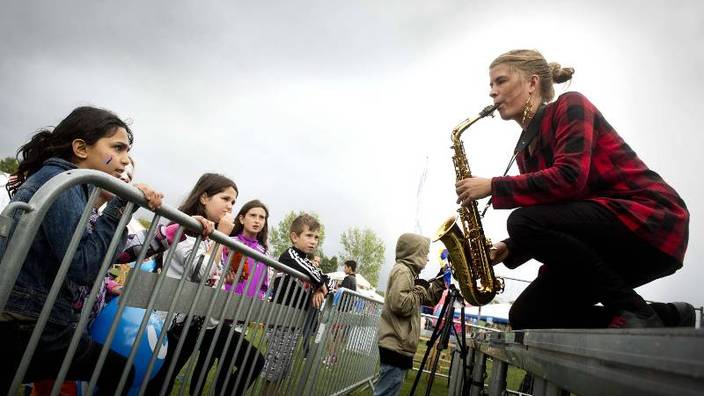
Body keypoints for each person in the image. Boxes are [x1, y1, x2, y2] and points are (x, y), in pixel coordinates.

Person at [455, 49, 690, 329]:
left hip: (651, 221)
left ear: (532, 83)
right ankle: (668, 318)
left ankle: (634, 312)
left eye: (500, 81)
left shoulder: (570, 105)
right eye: (491, 85)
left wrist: (493, 186)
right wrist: (507, 248)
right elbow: (555, 214)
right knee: (528, 315)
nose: (492, 92)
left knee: (521, 220)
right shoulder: (525, 151)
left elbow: (569, 178)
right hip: (603, 240)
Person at [0, 106, 163, 394]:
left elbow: (95, 258)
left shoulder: (74, 186)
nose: (125, 160)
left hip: (38, 320)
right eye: (118, 148)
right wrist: (121, 206)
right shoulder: (62, 183)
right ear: (80, 148)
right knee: (118, 372)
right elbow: (84, 266)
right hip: (26, 323)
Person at [262, 213, 332, 394]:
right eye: (309, 236)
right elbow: (317, 275)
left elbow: (325, 279)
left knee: (283, 370)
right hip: (280, 321)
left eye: (316, 237)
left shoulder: (306, 261)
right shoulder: (290, 255)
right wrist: (320, 283)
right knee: (273, 370)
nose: (314, 241)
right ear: (294, 237)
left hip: (293, 324)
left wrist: (319, 287)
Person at [374, 233, 445, 396]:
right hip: (396, 345)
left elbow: (428, 298)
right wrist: (420, 288)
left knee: (390, 390)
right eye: (425, 254)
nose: (427, 259)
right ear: (415, 253)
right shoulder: (403, 271)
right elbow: (400, 304)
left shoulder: (409, 273)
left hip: (400, 346)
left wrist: (440, 279)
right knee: (386, 392)